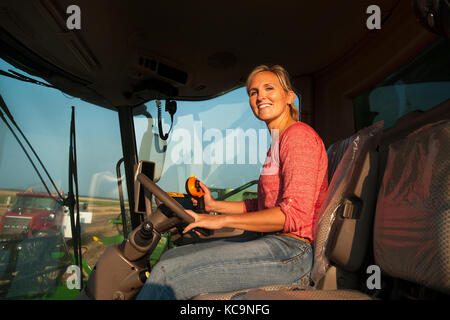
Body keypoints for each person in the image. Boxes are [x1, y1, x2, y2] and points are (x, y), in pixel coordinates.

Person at [136, 65, 329, 300]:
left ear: (289, 97)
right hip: (272, 242)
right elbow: (262, 205)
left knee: (170, 274)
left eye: (269, 88)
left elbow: (294, 215)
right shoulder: (278, 142)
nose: (260, 97)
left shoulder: (299, 136)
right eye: (253, 92)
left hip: (291, 254)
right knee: (169, 259)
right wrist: (214, 206)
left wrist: (220, 221)